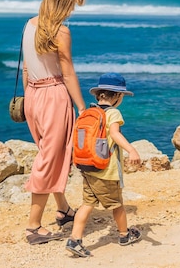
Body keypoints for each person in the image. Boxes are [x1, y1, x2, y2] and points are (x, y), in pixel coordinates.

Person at [22, 0, 89, 245]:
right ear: (64, 2)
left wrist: (30, 99)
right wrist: (82, 107)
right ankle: (33, 226)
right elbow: (68, 72)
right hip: (53, 96)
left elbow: (27, 68)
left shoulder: (29, 25)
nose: (73, 8)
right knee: (49, 159)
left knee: (51, 152)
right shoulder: (60, 31)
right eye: (72, 2)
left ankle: (63, 209)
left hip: (32, 96)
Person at [66, 72, 142, 257]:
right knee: (117, 205)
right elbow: (115, 134)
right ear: (116, 96)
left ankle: (74, 240)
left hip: (87, 168)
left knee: (86, 204)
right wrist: (131, 150)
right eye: (122, 95)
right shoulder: (113, 113)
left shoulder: (89, 112)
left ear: (99, 95)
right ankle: (125, 235)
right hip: (106, 171)